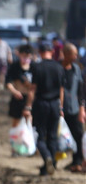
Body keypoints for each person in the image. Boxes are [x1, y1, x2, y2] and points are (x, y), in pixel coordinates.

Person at [25, 42, 66, 176]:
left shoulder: (37, 67)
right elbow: (61, 90)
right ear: (52, 52)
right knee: (53, 136)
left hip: (41, 104)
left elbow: (33, 89)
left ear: (40, 52)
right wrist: (61, 107)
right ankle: (50, 166)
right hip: (55, 104)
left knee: (41, 136)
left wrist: (28, 106)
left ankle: (47, 157)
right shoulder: (59, 67)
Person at [60, 42, 86, 172]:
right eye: (74, 54)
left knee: (78, 135)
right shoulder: (58, 69)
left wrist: (82, 108)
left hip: (74, 108)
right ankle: (53, 161)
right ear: (66, 54)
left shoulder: (76, 69)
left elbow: (81, 90)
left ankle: (77, 162)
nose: (76, 56)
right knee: (57, 135)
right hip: (59, 109)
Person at [6, 43, 35, 129]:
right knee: (16, 122)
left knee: (30, 121)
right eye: (24, 56)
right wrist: (14, 91)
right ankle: (15, 141)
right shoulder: (15, 67)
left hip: (30, 98)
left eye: (28, 56)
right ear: (19, 55)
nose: (26, 58)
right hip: (18, 98)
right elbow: (8, 82)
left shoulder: (34, 67)